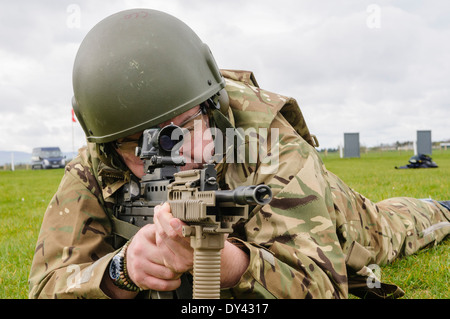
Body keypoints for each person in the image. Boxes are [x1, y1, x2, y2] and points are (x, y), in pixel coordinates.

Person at [28, 8, 450, 299]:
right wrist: (121, 271)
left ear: (213, 107)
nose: (173, 157)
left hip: (345, 218)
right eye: (141, 144)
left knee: (396, 227)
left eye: (184, 129)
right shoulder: (94, 165)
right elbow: (45, 286)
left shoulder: (269, 142)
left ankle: (441, 207)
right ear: (109, 147)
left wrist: (225, 262)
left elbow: (321, 285)